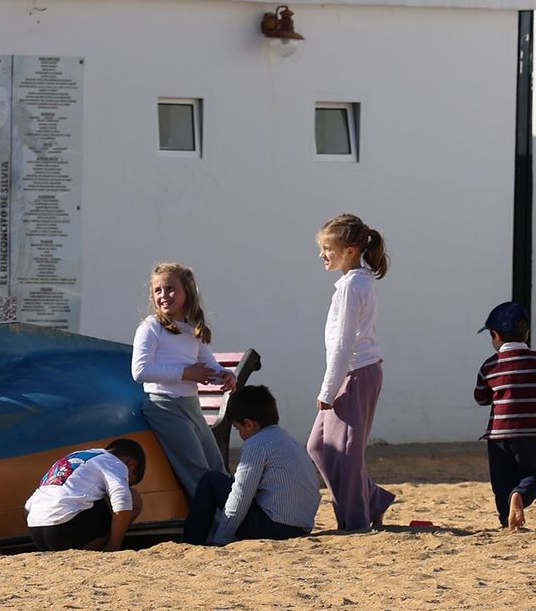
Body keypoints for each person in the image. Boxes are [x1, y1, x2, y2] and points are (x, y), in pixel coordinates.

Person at [305, 212, 397, 532]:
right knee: (318, 446)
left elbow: (344, 344)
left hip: (355, 373)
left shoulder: (352, 286)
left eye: (328, 248)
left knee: (347, 453)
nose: (322, 254)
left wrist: (327, 391)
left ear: (350, 251)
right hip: (354, 372)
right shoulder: (352, 283)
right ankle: (373, 500)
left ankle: (355, 522)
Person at [130, 262, 234, 499]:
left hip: (191, 407)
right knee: (197, 471)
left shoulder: (193, 329)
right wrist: (185, 373)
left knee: (215, 466)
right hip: (164, 406)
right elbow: (140, 371)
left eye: (170, 289)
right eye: (158, 290)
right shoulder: (151, 327)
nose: (164, 296)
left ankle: (230, 520)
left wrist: (224, 375)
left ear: (187, 291)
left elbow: (207, 362)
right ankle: (212, 523)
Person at [181, 385, 322, 546]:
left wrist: (222, 538)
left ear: (249, 424)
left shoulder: (255, 444)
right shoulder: (288, 440)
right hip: (301, 528)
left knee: (210, 480)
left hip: (274, 528)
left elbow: (240, 494)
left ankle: (191, 542)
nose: (239, 434)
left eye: (237, 427)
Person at [473, 300, 536, 531]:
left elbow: (480, 398)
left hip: (498, 436)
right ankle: (520, 495)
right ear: (526, 333)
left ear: (495, 335)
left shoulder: (490, 366)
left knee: (501, 482)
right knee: (535, 473)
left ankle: (506, 520)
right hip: (532, 435)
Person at [25, 438, 146, 552]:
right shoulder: (114, 462)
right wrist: (114, 546)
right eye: (129, 481)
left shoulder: (73, 458)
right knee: (133, 498)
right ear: (131, 464)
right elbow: (122, 499)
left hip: (37, 533)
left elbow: (28, 507)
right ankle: (104, 549)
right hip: (65, 532)